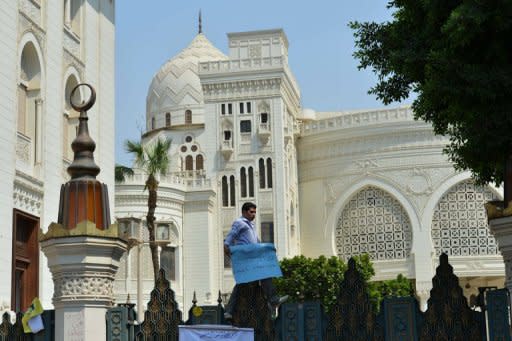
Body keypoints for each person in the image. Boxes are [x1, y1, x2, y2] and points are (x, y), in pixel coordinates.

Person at [223, 202, 288, 320]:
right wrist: (229, 253)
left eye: (254, 212)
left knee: (261, 276)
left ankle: (273, 301)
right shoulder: (240, 223)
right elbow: (229, 239)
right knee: (244, 282)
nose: (253, 215)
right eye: (251, 212)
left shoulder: (251, 226)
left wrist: (268, 249)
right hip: (245, 258)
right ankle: (230, 311)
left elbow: (258, 243)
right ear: (244, 212)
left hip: (253, 257)